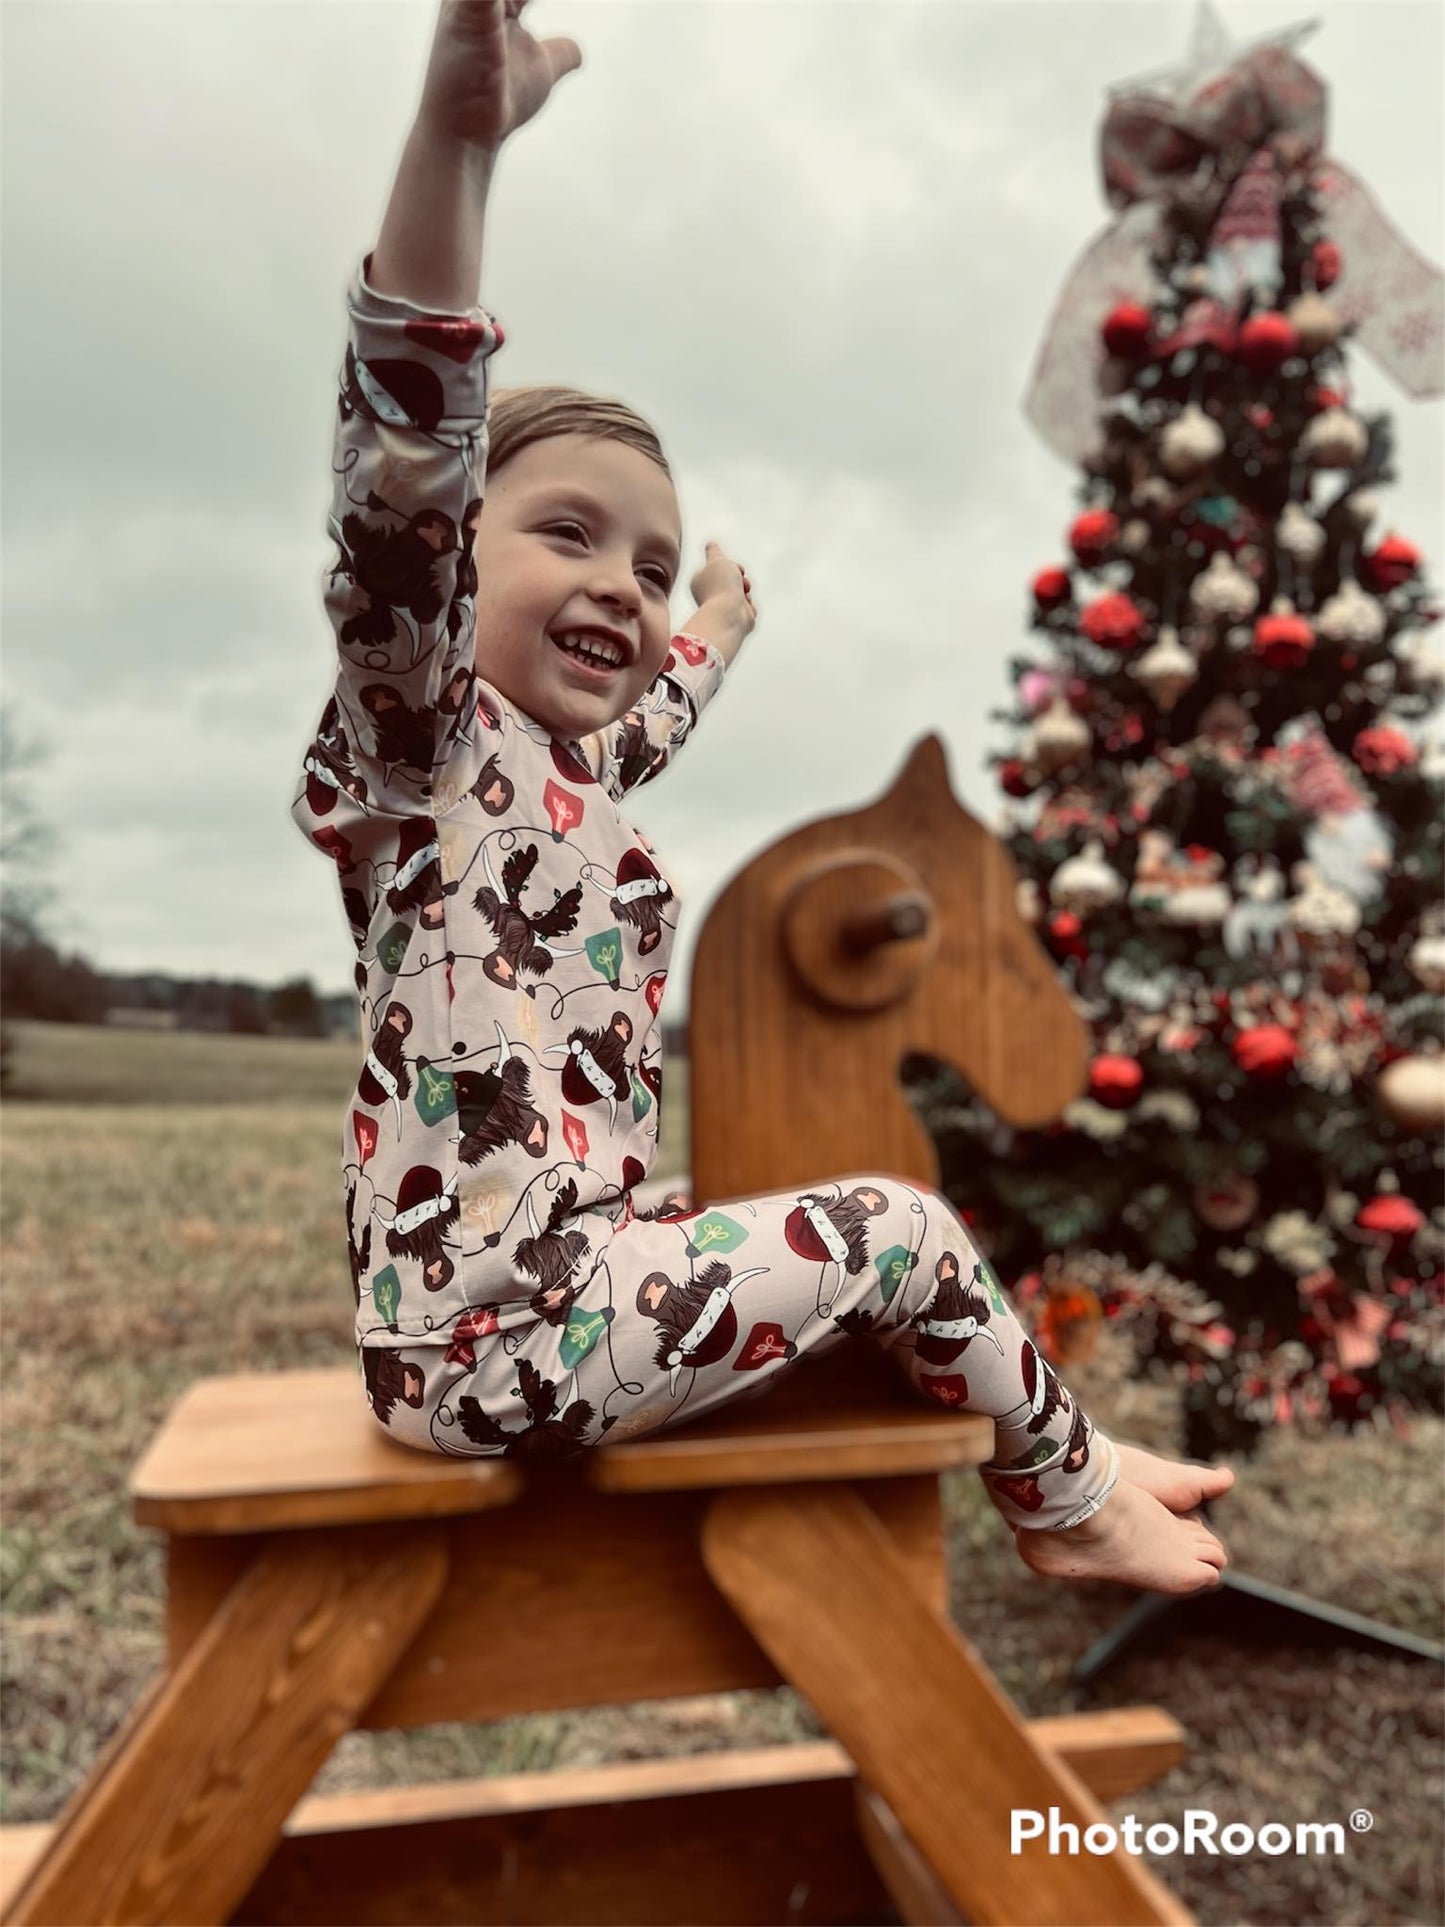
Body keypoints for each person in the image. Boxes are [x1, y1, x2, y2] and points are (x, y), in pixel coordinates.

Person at [292, 0, 1233, 1594]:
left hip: (562, 1291)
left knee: (824, 1245)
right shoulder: (419, 741)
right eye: (567, 537)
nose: (619, 587)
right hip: (487, 1350)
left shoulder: (571, 771)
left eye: (645, 564)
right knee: (896, 1229)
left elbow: (648, 712)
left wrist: (710, 624)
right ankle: (1065, 1505)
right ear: (453, 577)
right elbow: (404, 469)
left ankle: (1048, 1429)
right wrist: (456, 146)